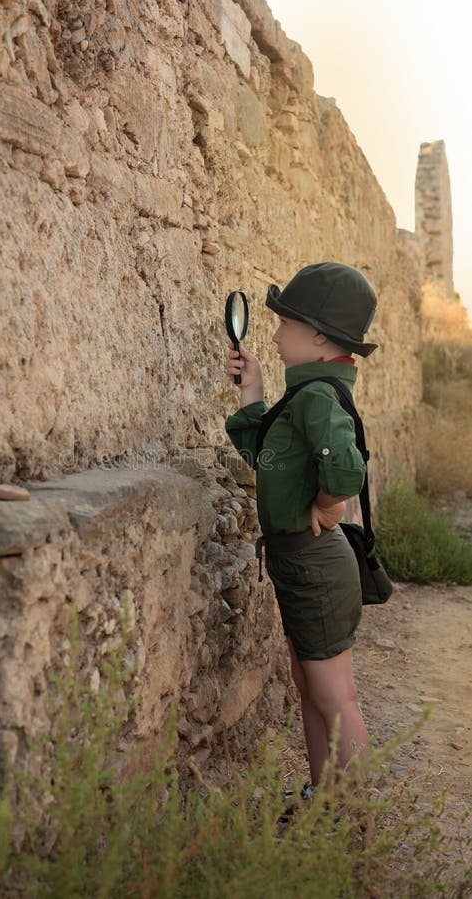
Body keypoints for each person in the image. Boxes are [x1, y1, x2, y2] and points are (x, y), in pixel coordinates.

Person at [225, 261, 379, 788]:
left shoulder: (315, 397)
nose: (273, 332)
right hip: (303, 563)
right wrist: (254, 394)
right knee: (310, 687)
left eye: (284, 323)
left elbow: (346, 469)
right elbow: (268, 462)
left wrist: (329, 500)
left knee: (335, 696)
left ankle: (355, 822)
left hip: (316, 565)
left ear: (317, 338)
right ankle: (326, 800)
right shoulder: (305, 395)